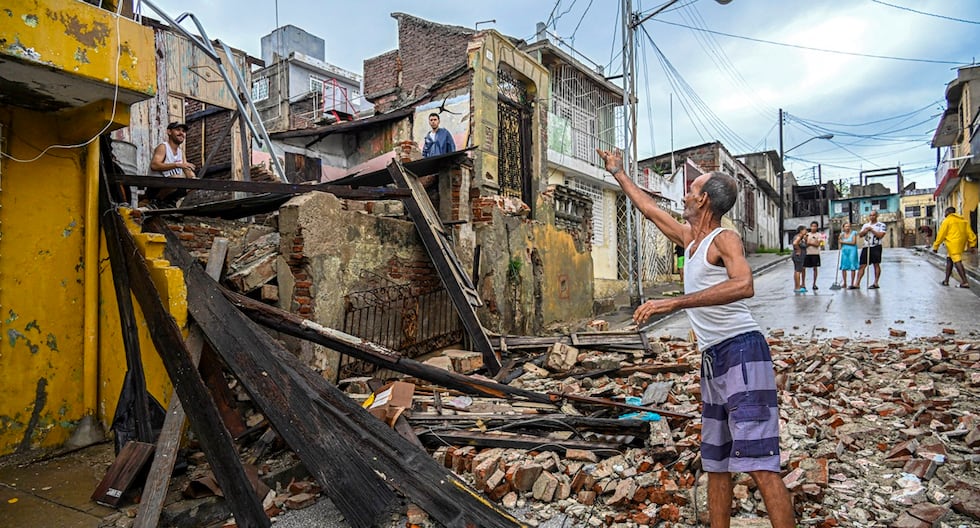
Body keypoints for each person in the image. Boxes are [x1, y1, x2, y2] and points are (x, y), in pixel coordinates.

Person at [596, 148, 795, 528]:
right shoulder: (691, 239)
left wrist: (674, 303)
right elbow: (650, 210)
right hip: (713, 359)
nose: (684, 194)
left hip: (743, 354)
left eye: (690, 189)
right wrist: (619, 173)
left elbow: (745, 284)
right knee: (717, 462)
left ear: (703, 199)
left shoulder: (725, 239)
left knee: (759, 462)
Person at [146, 121, 196, 207]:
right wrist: (177, 165)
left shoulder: (181, 152)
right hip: (156, 187)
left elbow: (187, 170)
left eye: (183, 131)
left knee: (195, 182)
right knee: (177, 178)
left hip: (172, 187)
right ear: (169, 132)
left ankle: (170, 201)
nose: (181, 133)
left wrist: (193, 178)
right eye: (178, 130)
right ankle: (156, 201)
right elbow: (154, 165)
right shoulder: (163, 147)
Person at [932, 207, 977, 288]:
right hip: (960, 244)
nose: (944, 214)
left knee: (957, 261)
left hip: (952, 244)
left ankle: (965, 282)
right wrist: (972, 244)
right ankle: (946, 280)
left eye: (945, 212)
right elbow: (970, 233)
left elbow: (941, 235)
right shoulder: (963, 221)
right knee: (949, 260)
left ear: (949, 212)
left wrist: (936, 246)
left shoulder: (947, 221)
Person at [855, 211, 887, 289]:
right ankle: (857, 283)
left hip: (876, 246)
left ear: (876, 216)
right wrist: (866, 230)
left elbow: (881, 235)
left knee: (876, 264)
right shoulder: (866, 225)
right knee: (862, 265)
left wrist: (872, 230)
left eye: (873, 215)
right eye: (870, 215)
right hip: (866, 246)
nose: (872, 217)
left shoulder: (881, 225)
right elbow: (860, 235)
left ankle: (876, 283)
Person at [838, 222, 860, 289]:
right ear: (843, 227)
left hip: (852, 250)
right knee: (844, 266)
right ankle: (844, 283)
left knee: (852, 266)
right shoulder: (842, 234)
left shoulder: (854, 233)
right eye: (846, 226)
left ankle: (852, 283)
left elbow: (853, 242)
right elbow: (840, 244)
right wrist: (839, 241)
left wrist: (843, 242)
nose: (847, 228)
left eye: (848, 226)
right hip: (845, 251)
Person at [803, 221, 822, 290]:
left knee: (815, 268)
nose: (813, 227)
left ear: (817, 227)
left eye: (815, 226)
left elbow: (817, 244)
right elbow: (805, 244)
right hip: (807, 253)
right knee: (803, 268)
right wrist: (811, 242)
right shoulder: (807, 235)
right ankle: (803, 284)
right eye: (812, 226)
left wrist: (810, 243)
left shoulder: (819, 235)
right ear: (810, 226)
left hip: (815, 253)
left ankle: (814, 284)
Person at [791, 225, 808, 293]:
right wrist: (798, 250)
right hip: (798, 256)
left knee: (797, 270)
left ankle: (797, 286)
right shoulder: (799, 236)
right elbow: (795, 243)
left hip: (799, 256)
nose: (806, 231)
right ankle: (797, 287)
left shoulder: (801, 237)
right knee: (798, 270)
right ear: (801, 230)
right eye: (805, 230)